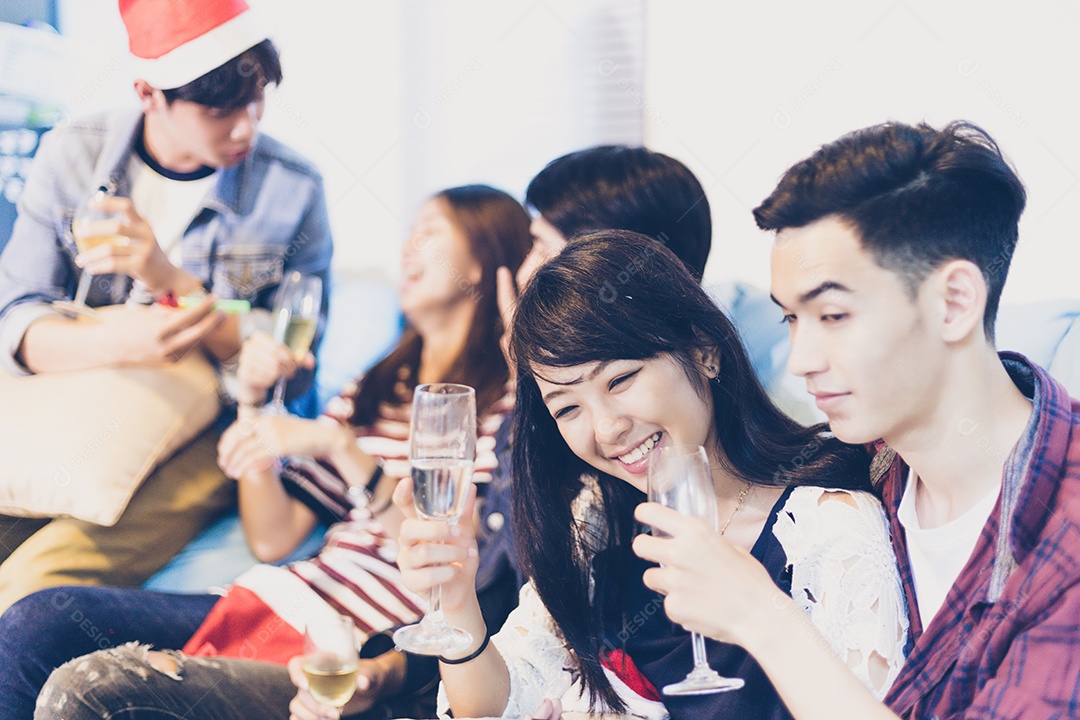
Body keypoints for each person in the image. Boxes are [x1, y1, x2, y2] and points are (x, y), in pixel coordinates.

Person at [4, 185, 530, 720]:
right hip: (290, 599)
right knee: (39, 621)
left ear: (487, 257)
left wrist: (340, 447)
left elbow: (458, 563)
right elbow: (270, 535)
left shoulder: (516, 408)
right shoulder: (373, 390)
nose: (407, 248)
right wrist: (254, 414)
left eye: (430, 234)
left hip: (367, 639)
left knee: (91, 689)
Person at [634, 120, 1080, 719]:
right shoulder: (863, 467)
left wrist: (762, 617)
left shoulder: (1063, 534)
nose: (802, 361)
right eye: (792, 319)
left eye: (834, 316)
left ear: (954, 302)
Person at [394, 232, 908, 719]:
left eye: (621, 379)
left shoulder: (825, 529)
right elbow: (496, 702)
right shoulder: (599, 520)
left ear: (704, 349)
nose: (607, 428)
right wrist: (458, 599)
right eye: (567, 408)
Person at [0, 0, 333, 611]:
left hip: (209, 431)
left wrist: (170, 278)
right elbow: (18, 313)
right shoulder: (73, 155)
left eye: (256, 100)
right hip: (69, 402)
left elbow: (296, 359)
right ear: (148, 93)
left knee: (32, 579)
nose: (245, 128)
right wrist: (123, 342)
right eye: (219, 111)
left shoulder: (292, 189)